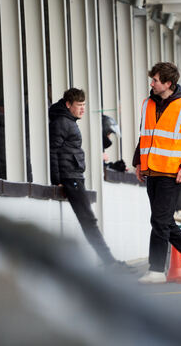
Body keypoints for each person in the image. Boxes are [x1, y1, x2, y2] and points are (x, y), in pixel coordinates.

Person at [133, 62, 181, 283]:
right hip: (151, 171)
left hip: (171, 173)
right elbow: (145, 136)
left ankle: (156, 271)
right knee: (164, 221)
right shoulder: (148, 103)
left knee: (158, 220)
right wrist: (138, 162)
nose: (152, 83)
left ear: (168, 83)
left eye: (155, 80)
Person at [49, 88, 127, 272]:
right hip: (70, 178)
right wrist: (57, 179)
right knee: (88, 220)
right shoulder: (62, 122)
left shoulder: (69, 121)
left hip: (75, 175)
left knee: (88, 220)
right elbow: (53, 151)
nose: (83, 109)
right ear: (68, 105)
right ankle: (109, 261)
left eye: (84, 105)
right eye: (79, 105)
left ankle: (109, 261)